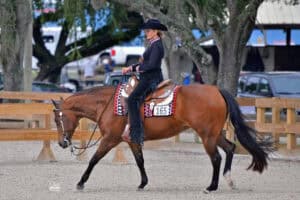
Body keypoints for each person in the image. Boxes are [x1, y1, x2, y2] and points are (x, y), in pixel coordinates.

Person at [121, 19, 168, 145]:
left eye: (148, 31)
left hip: (151, 78)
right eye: (146, 31)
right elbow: (144, 63)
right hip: (148, 76)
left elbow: (151, 65)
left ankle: (136, 134)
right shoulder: (153, 44)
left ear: (155, 31)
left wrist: (135, 68)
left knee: (132, 99)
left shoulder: (157, 46)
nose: (146, 33)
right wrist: (129, 68)